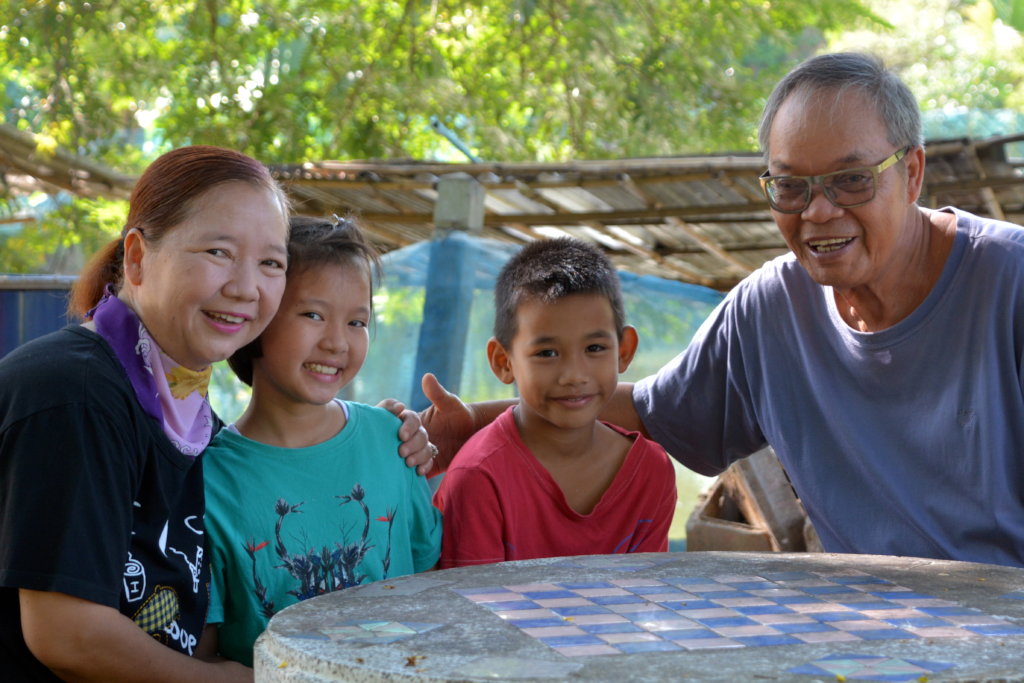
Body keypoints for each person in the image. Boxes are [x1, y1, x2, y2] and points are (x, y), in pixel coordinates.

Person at [421, 52, 1024, 568]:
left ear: (912, 172)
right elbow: (647, 410)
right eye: (790, 186)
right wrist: (469, 421)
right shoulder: (770, 310)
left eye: (851, 180)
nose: (817, 212)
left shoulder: (1010, 284)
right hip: (866, 633)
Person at [0, 147, 433, 683]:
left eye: (270, 263)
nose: (246, 287)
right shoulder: (73, 393)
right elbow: (68, 635)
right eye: (219, 252)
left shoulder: (187, 417)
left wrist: (412, 429)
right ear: (136, 259)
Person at [199, 215, 442, 666]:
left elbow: (430, 582)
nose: (337, 342)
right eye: (313, 315)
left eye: (357, 322)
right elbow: (206, 650)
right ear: (258, 316)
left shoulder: (394, 441)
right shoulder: (209, 478)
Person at [433, 238, 676, 568]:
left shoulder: (651, 470)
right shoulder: (479, 478)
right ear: (503, 361)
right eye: (547, 353)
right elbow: (472, 612)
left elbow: (645, 594)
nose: (574, 375)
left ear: (624, 350)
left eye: (594, 348)